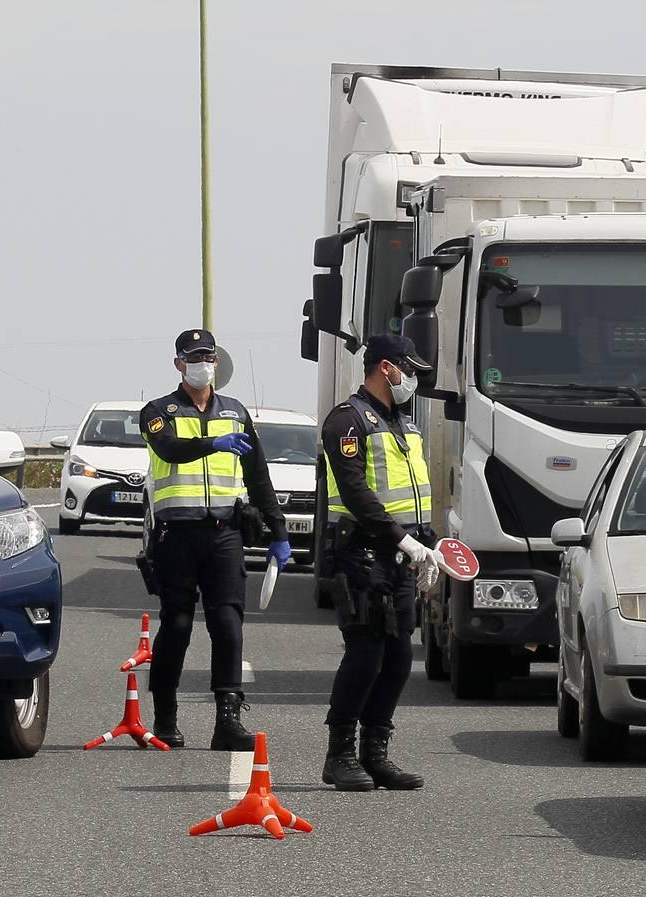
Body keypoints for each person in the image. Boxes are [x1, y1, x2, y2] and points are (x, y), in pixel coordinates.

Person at [140, 329, 293, 751]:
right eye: (192, 357)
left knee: (228, 624)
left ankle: (227, 719)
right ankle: (166, 718)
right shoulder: (158, 411)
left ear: (217, 363)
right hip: (177, 535)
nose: (201, 363)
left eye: (207, 356)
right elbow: (169, 448)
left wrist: (278, 532)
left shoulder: (236, 412)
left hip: (224, 533)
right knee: (178, 626)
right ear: (178, 364)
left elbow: (258, 476)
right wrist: (213, 443)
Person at [318, 334, 440, 792]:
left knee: (398, 659)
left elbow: (413, 494)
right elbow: (356, 493)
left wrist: (430, 545)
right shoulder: (348, 421)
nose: (413, 379)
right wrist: (402, 540)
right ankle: (340, 754)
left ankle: (376, 752)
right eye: (408, 370)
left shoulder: (404, 425)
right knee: (365, 654)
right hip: (362, 553)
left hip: (402, 557)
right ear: (385, 368)